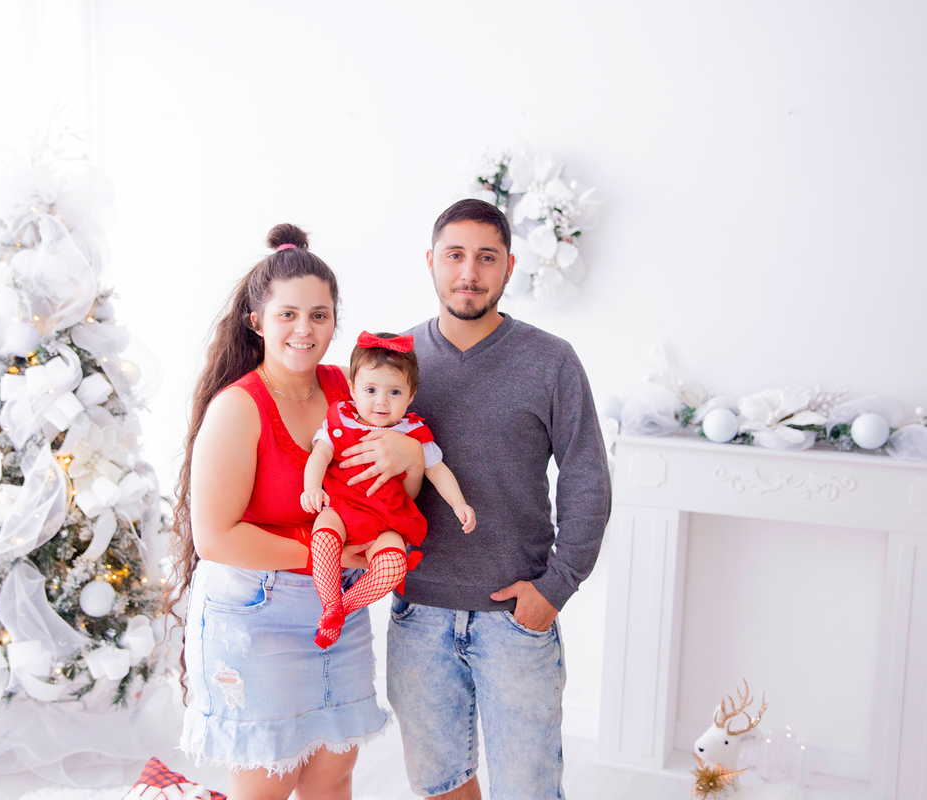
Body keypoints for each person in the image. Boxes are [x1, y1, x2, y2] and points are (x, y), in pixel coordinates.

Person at [344, 199, 612, 799]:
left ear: (509, 267)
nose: (469, 272)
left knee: (529, 790)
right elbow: (346, 465)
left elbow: (588, 478)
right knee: (440, 786)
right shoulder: (391, 365)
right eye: (455, 256)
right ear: (431, 264)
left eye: (486, 258)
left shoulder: (550, 361)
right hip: (419, 615)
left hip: (515, 618)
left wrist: (557, 586)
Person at [169, 225, 388, 800]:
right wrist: (330, 554)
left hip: (337, 608)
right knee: (268, 784)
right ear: (256, 320)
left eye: (320, 315)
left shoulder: (350, 389)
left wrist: (411, 455)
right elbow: (215, 537)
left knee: (332, 775)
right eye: (288, 314)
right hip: (256, 611)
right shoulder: (238, 408)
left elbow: (392, 465)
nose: (305, 330)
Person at [299, 330, 475, 648]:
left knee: (394, 564)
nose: (381, 401)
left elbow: (438, 470)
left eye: (394, 392)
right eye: (370, 389)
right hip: (341, 507)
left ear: (410, 395)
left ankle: (341, 608)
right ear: (352, 388)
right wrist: (311, 486)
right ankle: (329, 600)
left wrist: (459, 503)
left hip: (388, 520)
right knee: (323, 535)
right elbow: (320, 454)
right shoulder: (341, 421)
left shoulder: (414, 433)